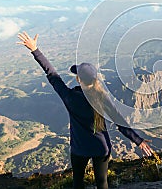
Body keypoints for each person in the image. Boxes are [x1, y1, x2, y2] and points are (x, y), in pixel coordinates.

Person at [17, 32, 153, 189]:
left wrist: (35, 50)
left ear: (78, 79)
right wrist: (138, 141)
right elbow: (119, 121)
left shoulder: (70, 97)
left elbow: (52, 74)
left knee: (78, 183)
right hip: (101, 148)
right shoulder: (102, 98)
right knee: (102, 183)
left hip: (79, 149)